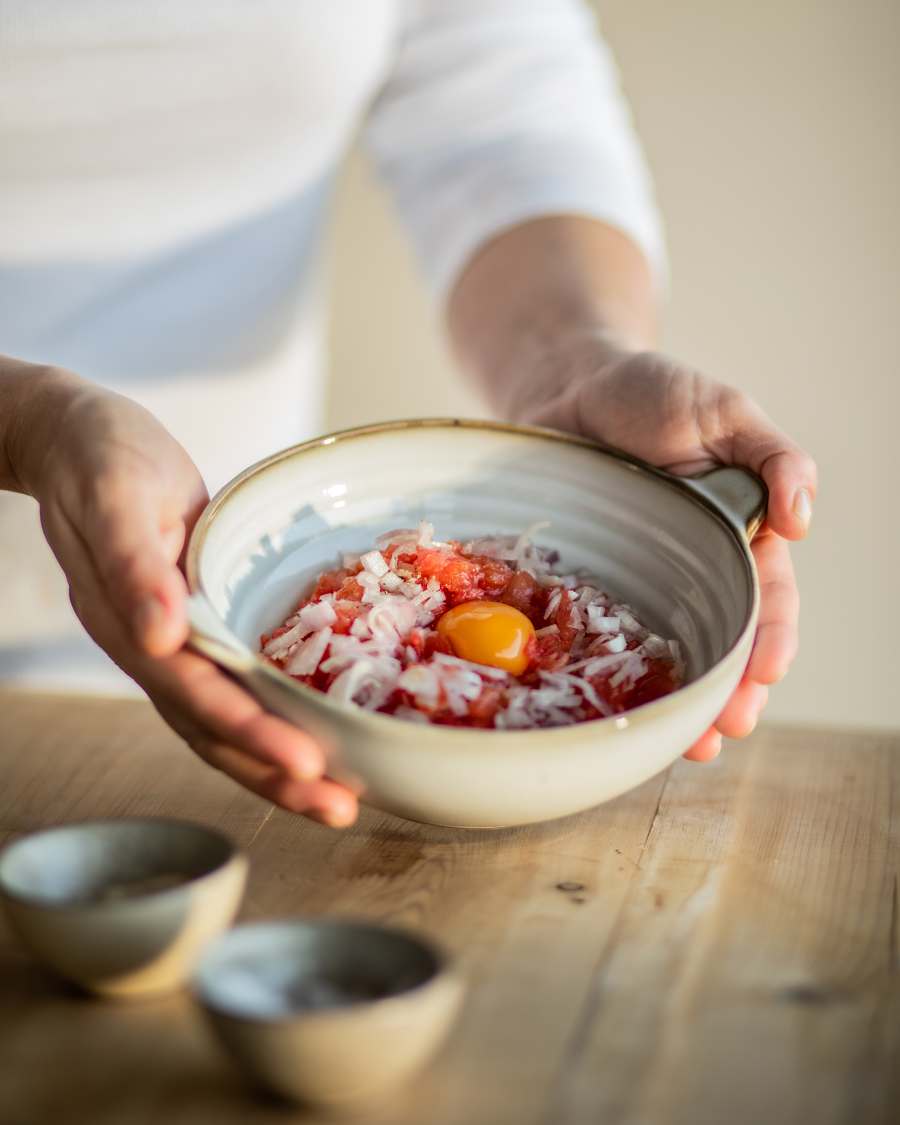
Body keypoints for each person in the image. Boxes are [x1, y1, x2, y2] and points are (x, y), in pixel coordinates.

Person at [0, 2, 815, 828]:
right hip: (211, 590)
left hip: (220, 595)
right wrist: (24, 423)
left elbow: (503, 110)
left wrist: (579, 359)